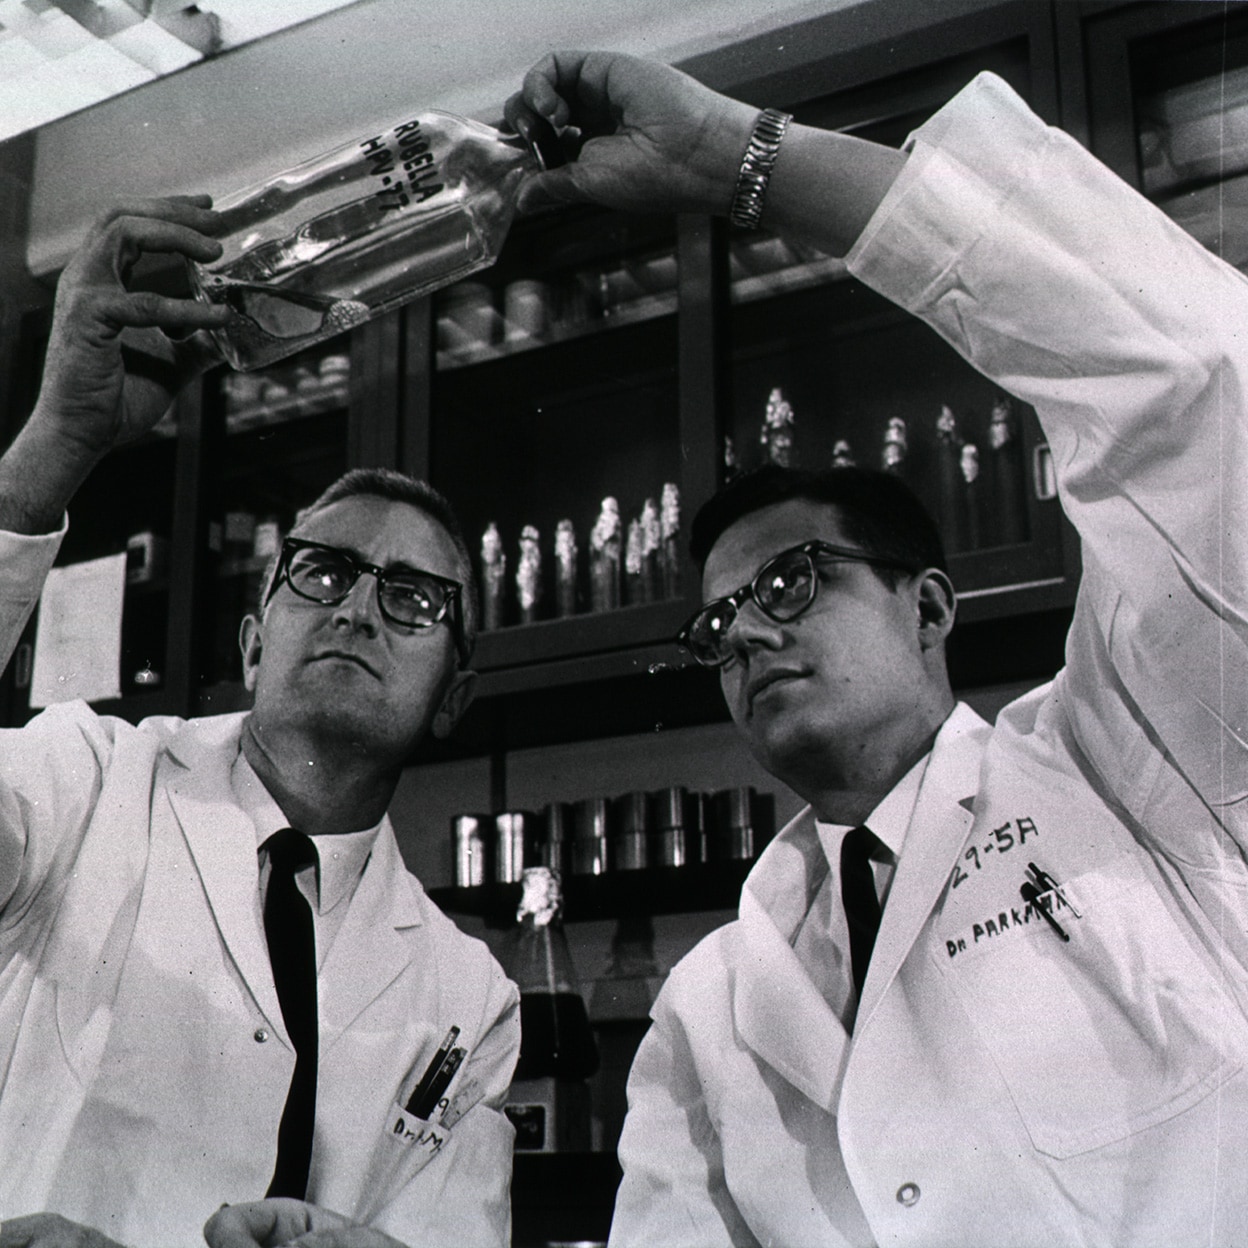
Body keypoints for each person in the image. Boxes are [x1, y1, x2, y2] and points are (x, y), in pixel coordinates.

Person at [506, 51, 1248, 1246]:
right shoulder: (707, 1009)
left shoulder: (1137, 767)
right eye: (718, 621)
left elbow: (1204, 393)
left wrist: (740, 162)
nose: (744, 630)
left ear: (932, 608)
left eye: (792, 581)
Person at [0, 202, 518, 1247]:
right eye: (322, 570)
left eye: (414, 597)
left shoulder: (468, 995)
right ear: (250, 645)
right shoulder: (83, 777)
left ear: (454, 694)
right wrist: (54, 443)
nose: (358, 607)